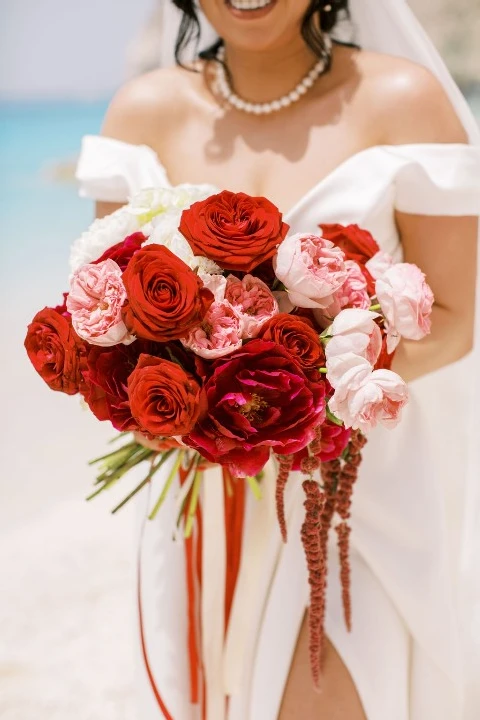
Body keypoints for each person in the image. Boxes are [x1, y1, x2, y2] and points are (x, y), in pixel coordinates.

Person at [75, 1, 480, 718]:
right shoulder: (142, 113)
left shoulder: (403, 100)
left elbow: (451, 324)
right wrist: (166, 392)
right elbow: (104, 314)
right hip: (199, 494)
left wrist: (295, 389)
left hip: (356, 490)